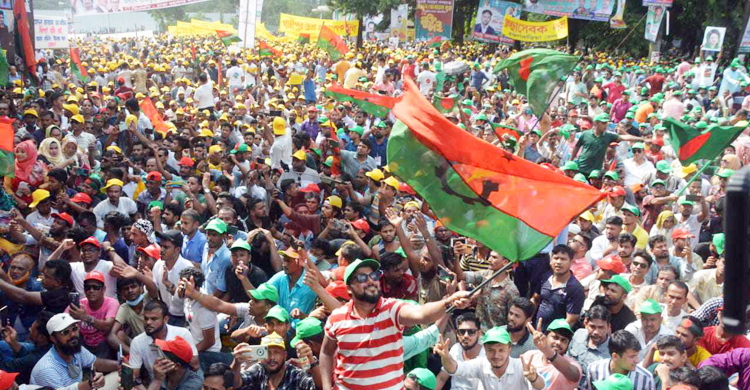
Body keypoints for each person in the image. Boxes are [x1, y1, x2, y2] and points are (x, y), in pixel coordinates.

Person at [320, 258, 470, 390]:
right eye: (361, 278)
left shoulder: (392, 309)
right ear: (348, 289)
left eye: (373, 275)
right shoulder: (337, 318)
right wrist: (327, 386)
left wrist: (448, 301)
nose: (370, 280)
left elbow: (422, 314)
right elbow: (326, 352)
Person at [434, 326, 545, 390]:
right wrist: (446, 357)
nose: (496, 356)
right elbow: (455, 368)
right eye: (491, 350)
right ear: (485, 349)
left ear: (509, 348)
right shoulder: (481, 364)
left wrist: (533, 378)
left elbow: (541, 386)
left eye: (501, 350)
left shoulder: (521, 367)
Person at [30, 313, 118, 389]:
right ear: (53, 339)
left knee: (119, 374)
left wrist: (122, 365)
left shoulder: (75, 348)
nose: (72, 335)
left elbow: (97, 363)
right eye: (65, 332)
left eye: (74, 329)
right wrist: (89, 384)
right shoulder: (46, 369)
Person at [129, 300, 199, 382]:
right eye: (146, 318)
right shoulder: (137, 342)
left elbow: (195, 365)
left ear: (165, 319)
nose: (148, 322)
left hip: (183, 382)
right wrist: (127, 373)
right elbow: (134, 376)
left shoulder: (182, 333)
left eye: (154, 319)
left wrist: (174, 359)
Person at [232, 332, 317, 390]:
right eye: (267, 352)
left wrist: (311, 362)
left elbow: (318, 387)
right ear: (260, 356)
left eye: (277, 352)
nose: (272, 357)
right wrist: (236, 363)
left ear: (285, 355)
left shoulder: (295, 374)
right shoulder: (259, 370)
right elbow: (235, 384)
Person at [533, 245, 585, 330]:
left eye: (563, 259)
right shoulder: (545, 277)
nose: (558, 262)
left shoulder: (576, 288)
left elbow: (570, 321)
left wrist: (552, 336)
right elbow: (535, 299)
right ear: (550, 260)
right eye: (556, 258)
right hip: (536, 331)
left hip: (556, 337)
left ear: (571, 262)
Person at [521, 318, 582, 390]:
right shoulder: (529, 356)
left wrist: (545, 349)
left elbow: (573, 375)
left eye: (564, 340)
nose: (559, 342)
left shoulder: (573, 364)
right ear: (545, 336)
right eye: (555, 337)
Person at [585, 330, 655, 390]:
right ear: (615, 356)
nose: (636, 360)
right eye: (632, 356)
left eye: (636, 355)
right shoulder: (594, 370)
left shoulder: (645, 378)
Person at [435, 312, 485, 390]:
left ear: (478, 333)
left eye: (471, 332)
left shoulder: (485, 355)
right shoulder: (456, 348)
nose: (466, 336)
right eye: (462, 332)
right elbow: (442, 378)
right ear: (457, 334)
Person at [568, 305, 612, 388]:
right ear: (585, 323)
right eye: (592, 327)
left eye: (601, 327)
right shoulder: (578, 334)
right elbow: (567, 359)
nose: (596, 332)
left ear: (608, 327)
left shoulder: (612, 352)